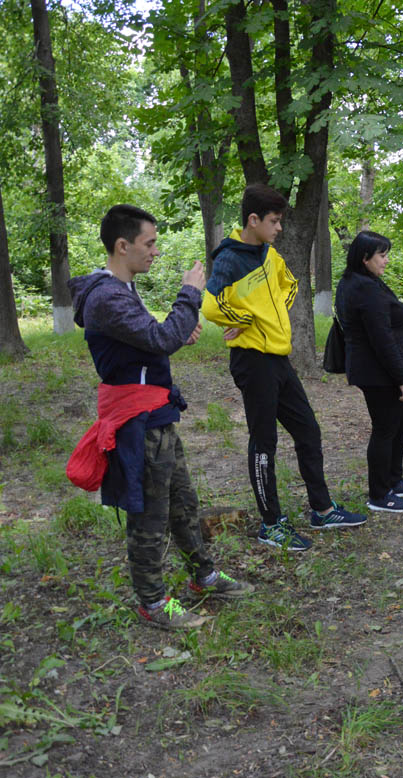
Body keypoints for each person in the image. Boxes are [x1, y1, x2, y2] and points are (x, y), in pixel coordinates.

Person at [67, 205, 254, 630]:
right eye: (148, 243)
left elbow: (149, 344)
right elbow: (160, 338)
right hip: (137, 423)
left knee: (182, 504)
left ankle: (203, 577)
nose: (154, 251)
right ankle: (152, 603)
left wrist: (174, 334)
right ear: (122, 245)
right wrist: (189, 294)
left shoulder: (122, 289)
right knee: (149, 515)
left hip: (155, 414)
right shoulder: (107, 295)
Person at [202, 183, 366, 551]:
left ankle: (322, 510)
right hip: (252, 361)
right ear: (253, 219)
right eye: (274, 221)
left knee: (308, 430)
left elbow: (289, 286)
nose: (279, 228)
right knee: (265, 443)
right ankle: (271, 524)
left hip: (278, 358)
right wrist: (247, 320)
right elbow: (211, 306)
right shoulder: (230, 258)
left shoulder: (269, 254)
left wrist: (265, 312)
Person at [334, 230, 403, 514]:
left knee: (402, 419)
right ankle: (379, 494)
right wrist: (402, 380)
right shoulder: (364, 288)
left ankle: (393, 479)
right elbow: (379, 337)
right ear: (365, 258)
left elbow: (381, 315)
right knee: (385, 428)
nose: (386, 260)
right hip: (377, 371)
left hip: (376, 368)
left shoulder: (362, 282)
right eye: (382, 255)